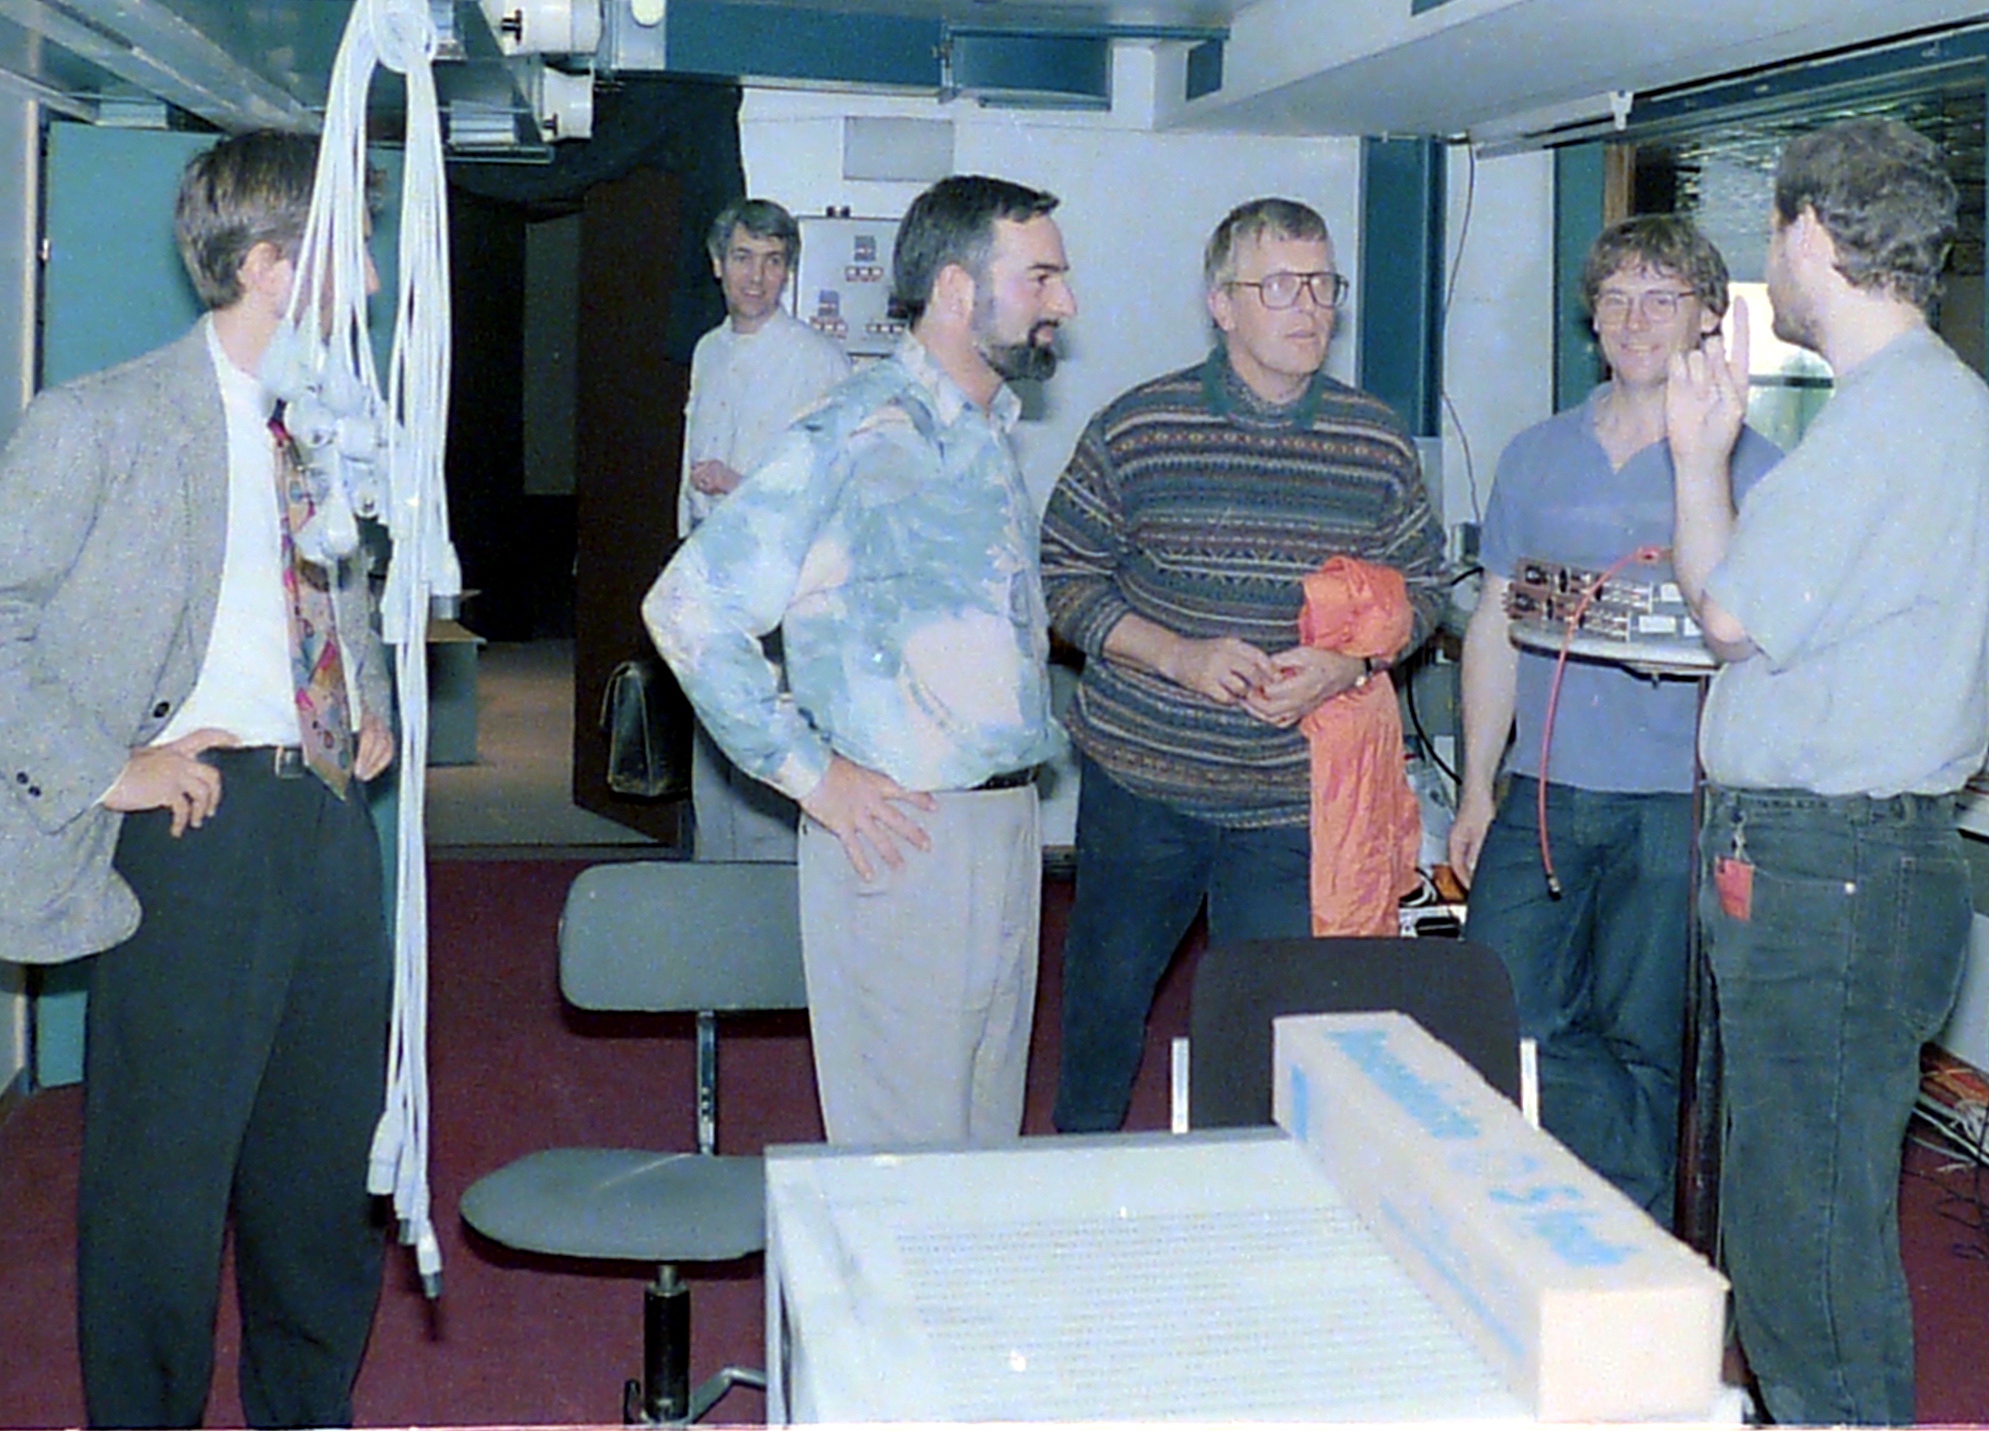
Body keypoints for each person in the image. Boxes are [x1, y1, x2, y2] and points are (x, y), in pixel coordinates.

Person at [0, 130, 395, 1429]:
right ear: (274, 266)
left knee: (323, 1171)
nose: (371, 278)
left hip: (328, 818)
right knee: (161, 1191)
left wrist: (369, 698)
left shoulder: (327, 420)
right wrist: (104, 766)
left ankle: (306, 1413)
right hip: (195, 823)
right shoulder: (99, 424)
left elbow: (340, 591)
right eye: (351, 250)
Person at [1665, 118, 1989, 1425]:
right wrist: (1702, 460)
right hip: (1827, 864)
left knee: (1801, 1240)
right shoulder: (1910, 406)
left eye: (1772, 232)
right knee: (1791, 1215)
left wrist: (1700, 461)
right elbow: (1734, 601)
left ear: (1810, 232)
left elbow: (1722, 616)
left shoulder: (1896, 414)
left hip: (1834, 869)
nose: (1771, 262)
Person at [643, 174, 1076, 1147]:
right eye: (1041, 277)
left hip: (1005, 828)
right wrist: (814, 777)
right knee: (902, 1171)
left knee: (982, 1155)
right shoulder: (860, 430)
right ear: (958, 289)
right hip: (905, 839)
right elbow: (690, 607)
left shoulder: (984, 431)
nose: (1066, 302)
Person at [1041, 196, 1448, 1133]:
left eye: (1323, 285)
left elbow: (1423, 587)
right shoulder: (1140, 428)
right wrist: (1177, 656)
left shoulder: (1375, 442)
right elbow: (1061, 576)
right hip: (1145, 782)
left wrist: (1349, 663)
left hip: (1289, 802)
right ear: (1222, 304)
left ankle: (1257, 1192)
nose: (1310, 307)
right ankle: (1077, 1177)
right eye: (1281, 287)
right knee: (1102, 1012)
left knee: (1275, 1032)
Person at [1449, 215, 1781, 1227]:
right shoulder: (1535, 455)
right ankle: (1548, 1212)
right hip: (1545, 792)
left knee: (1649, 1034)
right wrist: (1475, 790)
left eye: (1662, 298)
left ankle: (1628, 1241)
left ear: (1709, 318)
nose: (1635, 321)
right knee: (1499, 1010)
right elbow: (1493, 625)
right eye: (1616, 298)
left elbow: (1775, 653)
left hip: (1678, 805)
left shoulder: (1758, 471)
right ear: (1590, 318)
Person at [678, 198, 851, 860]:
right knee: (713, 752)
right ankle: (714, 886)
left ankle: (768, 897)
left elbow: (834, 489)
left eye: (773, 262)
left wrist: (740, 484)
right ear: (717, 264)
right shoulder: (709, 350)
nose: (756, 277)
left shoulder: (818, 360)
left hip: (778, 585)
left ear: (788, 272)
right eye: (744, 258)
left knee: (768, 753)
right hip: (709, 578)